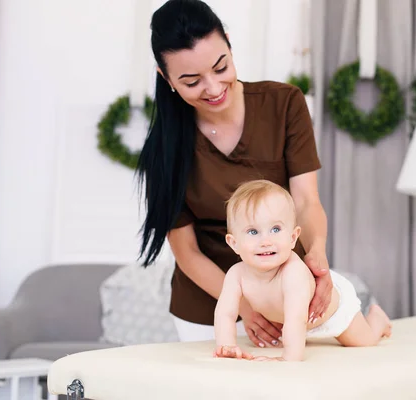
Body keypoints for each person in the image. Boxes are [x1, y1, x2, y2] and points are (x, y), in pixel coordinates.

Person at [137, 0, 333, 348]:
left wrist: (317, 252)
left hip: (286, 296)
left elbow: (305, 200)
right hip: (208, 310)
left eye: (220, 67)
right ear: (166, 79)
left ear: (228, 43)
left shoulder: (284, 104)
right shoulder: (163, 150)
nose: (213, 88)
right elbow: (187, 252)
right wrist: (244, 307)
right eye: (192, 81)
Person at [213, 180, 392, 361]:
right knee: (290, 333)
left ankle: (378, 319)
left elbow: (296, 319)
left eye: (275, 229)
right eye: (253, 232)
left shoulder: (292, 272)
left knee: (365, 340)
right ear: (234, 243)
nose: (265, 241)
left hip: (331, 311)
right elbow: (225, 313)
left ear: (293, 238)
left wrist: (288, 358)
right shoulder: (236, 275)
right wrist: (227, 346)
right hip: (293, 323)